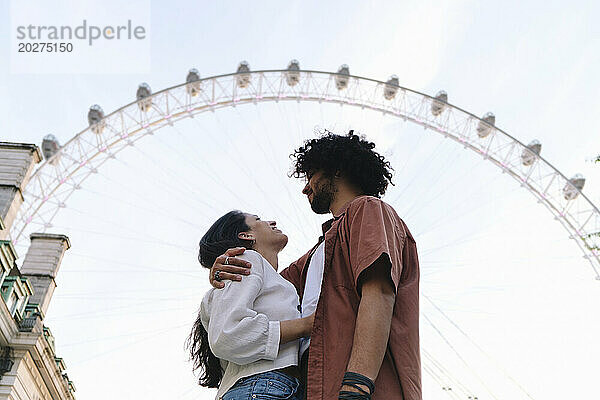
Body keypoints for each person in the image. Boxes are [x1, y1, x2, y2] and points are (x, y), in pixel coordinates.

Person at [209, 131, 422, 400]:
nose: (305, 187)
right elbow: (264, 293)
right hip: (314, 384)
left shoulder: (368, 210)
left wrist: (358, 384)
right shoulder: (313, 258)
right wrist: (221, 269)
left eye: (311, 175)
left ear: (336, 170)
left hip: (359, 385)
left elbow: (379, 293)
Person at [186, 210, 315, 400]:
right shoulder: (247, 261)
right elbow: (228, 334)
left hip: (269, 388)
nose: (272, 221)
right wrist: (307, 325)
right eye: (259, 219)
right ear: (246, 235)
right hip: (262, 387)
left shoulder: (272, 279)